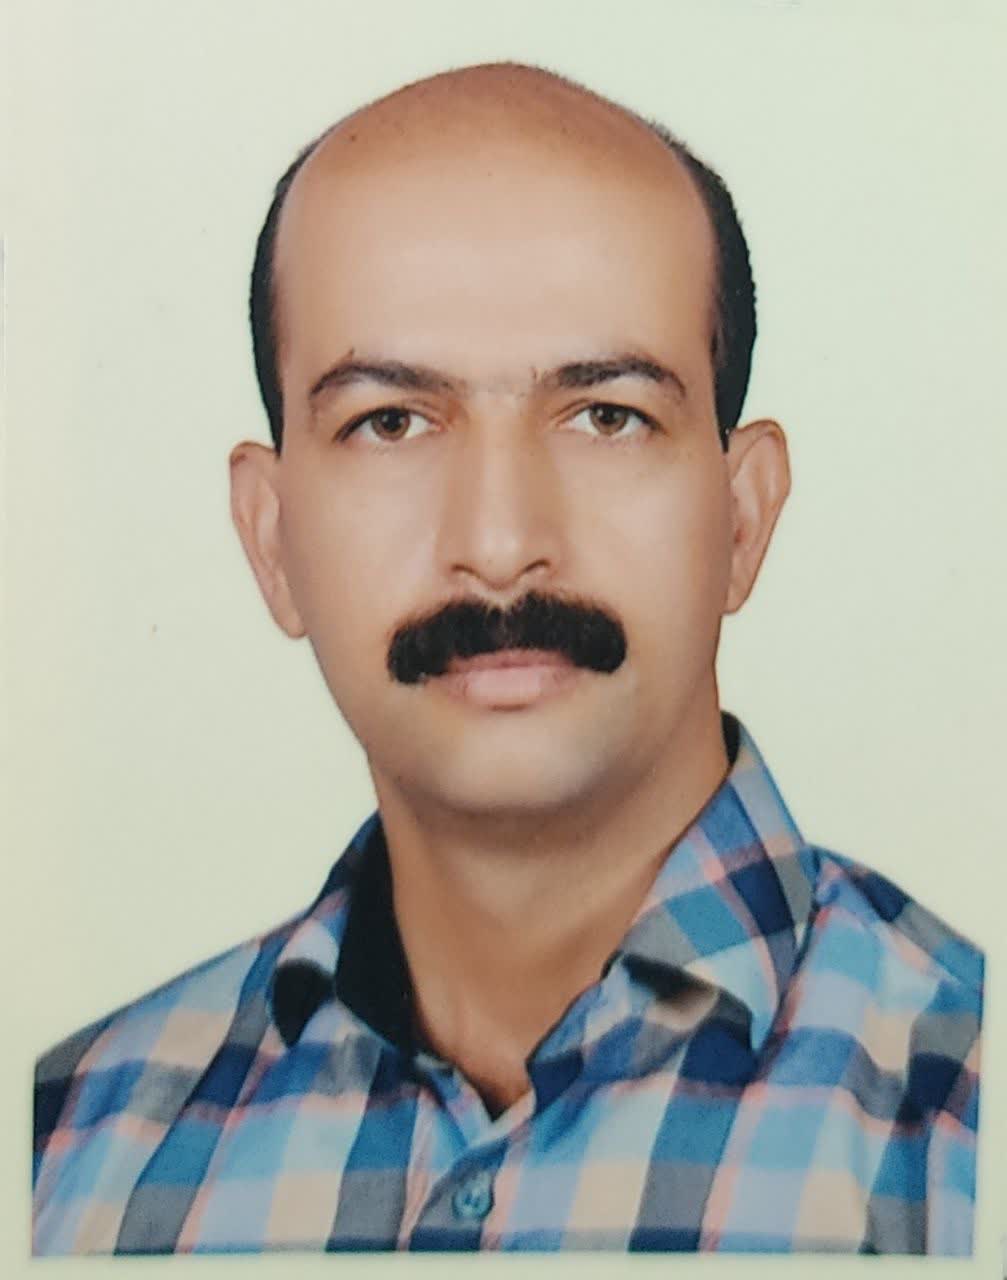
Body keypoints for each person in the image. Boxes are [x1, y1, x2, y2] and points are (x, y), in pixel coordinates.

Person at [32, 62, 983, 1256]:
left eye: (605, 415)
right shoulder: (67, 1151)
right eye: (389, 421)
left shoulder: (961, 1119)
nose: (496, 544)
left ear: (742, 518)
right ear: (270, 541)